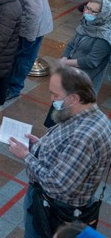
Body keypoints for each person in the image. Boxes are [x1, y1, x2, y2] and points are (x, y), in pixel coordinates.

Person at [9, 66, 111, 238]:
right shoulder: (90, 115)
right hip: (55, 204)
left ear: (74, 98)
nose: (51, 99)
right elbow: (66, 150)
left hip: (53, 210)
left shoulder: (84, 137)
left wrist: (26, 155)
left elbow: (58, 185)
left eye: (55, 95)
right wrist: (39, 145)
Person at [59, 0, 111, 93]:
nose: (87, 12)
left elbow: (91, 61)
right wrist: (64, 57)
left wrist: (66, 62)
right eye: (87, 8)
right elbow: (71, 44)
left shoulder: (104, 38)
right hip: (71, 73)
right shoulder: (86, 25)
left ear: (102, 14)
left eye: (93, 11)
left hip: (85, 79)